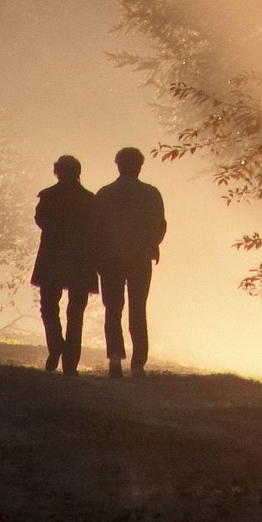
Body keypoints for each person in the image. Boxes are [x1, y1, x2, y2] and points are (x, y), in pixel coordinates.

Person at [92, 145, 166, 378]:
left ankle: (115, 358)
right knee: (138, 308)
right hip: (139, 258)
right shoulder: (151, 193)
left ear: (118, 165)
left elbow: (95, 228)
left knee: (113, 308)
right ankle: (138, 363)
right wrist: (150, 244)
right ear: (140, 166)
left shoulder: (104, 193)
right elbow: (159, 226)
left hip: (110, 258)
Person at [30, 154, 98, 375]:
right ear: (78, 173)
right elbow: (95, 229)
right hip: (80, 259)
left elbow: (41, 222)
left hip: (52, 258)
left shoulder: (48, 197)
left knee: (48, 306)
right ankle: (71, 362)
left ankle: (56, 344)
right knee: (76, 311)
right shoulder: (90, 199)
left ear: (56, 172)